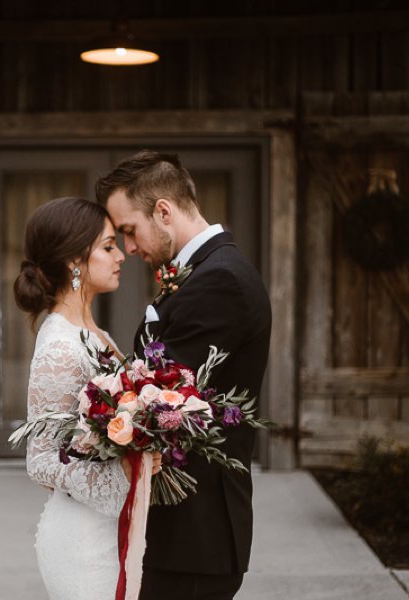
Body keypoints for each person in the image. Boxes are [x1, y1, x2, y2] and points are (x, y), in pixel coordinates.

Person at [96, 150, 272, 600]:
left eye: (130, 231)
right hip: (184, 534)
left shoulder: (221, 281)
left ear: (163, 211)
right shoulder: (205, 273)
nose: (130, 248)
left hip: (195, 533)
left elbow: (157, 399)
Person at [13, 196, 161, 600]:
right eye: (109, 246)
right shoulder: (60, 345)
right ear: (76, 260)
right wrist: (124, 475)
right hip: (83, 545)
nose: (121, 256)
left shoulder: (97, 334)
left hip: (111, 530)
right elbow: (40, 460)